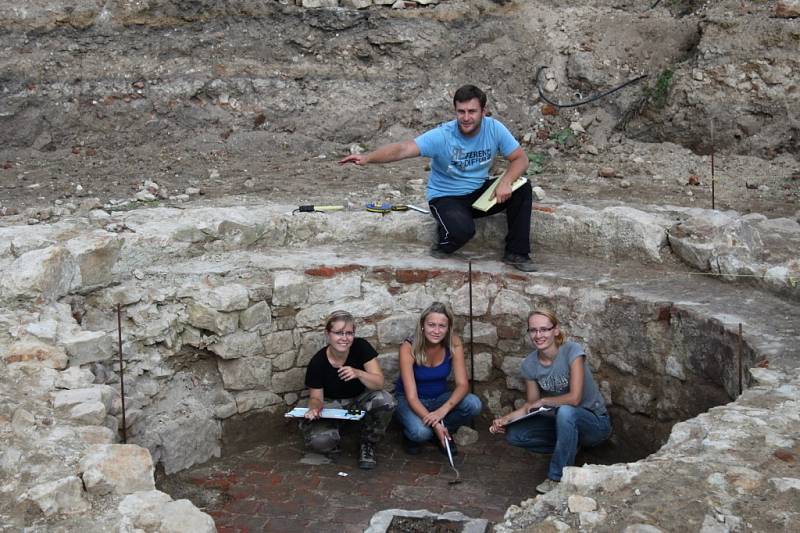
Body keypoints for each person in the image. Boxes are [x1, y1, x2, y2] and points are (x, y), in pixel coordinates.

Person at [338, 84, 536, 272]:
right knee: (463, 231)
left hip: (479, 192)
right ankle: (443, 241)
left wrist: (506, 181)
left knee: (524, 187)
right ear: (455, 111)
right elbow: (403, 149)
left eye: (472, 111)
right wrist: (367, 158)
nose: (466, 117)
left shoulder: (494, 129)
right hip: (447, 197)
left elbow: (520, 159)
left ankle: (516, 253)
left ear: (483, 112)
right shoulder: (443, 135)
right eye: (461, 112)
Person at [489, 309, 611, 494]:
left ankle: (556, 478)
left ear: (556, 330)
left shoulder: (572, 351)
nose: (539, 335)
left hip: (595, 423)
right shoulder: (530, 364)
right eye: (533, 330)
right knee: (514, 434)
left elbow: (575, 398)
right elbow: (532, 406)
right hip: (561, 422)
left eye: (544, 329)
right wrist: (505, 419)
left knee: (566, 411)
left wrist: (545, 400)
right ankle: (569, 444)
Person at [301, 310, 397, 470]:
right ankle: (334, 437)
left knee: (386, 400)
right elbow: (316, 398)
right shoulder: (318, 362)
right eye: (338, 333)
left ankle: (368, 442)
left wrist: (358, 373)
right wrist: (314, 408)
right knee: (320, 442)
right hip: (332, 405)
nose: (344, 338)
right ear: (328, 334)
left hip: (359, 400)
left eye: (349, 333)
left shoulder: (361, 347)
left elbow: (379, 383)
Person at [394, 302, 482, 455]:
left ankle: (443, 429)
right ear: (423, 325)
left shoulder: (453, 342)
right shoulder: (408, 347)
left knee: (474, 404)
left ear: (448, 328)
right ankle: (420, 433)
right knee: (421, 433)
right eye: (431, 325)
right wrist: (435, 425)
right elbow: (411, 397)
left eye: (442, 326)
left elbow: (462, 385)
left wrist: (443, 410)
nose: (436, 331)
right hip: (411, 401)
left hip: (439, 399)